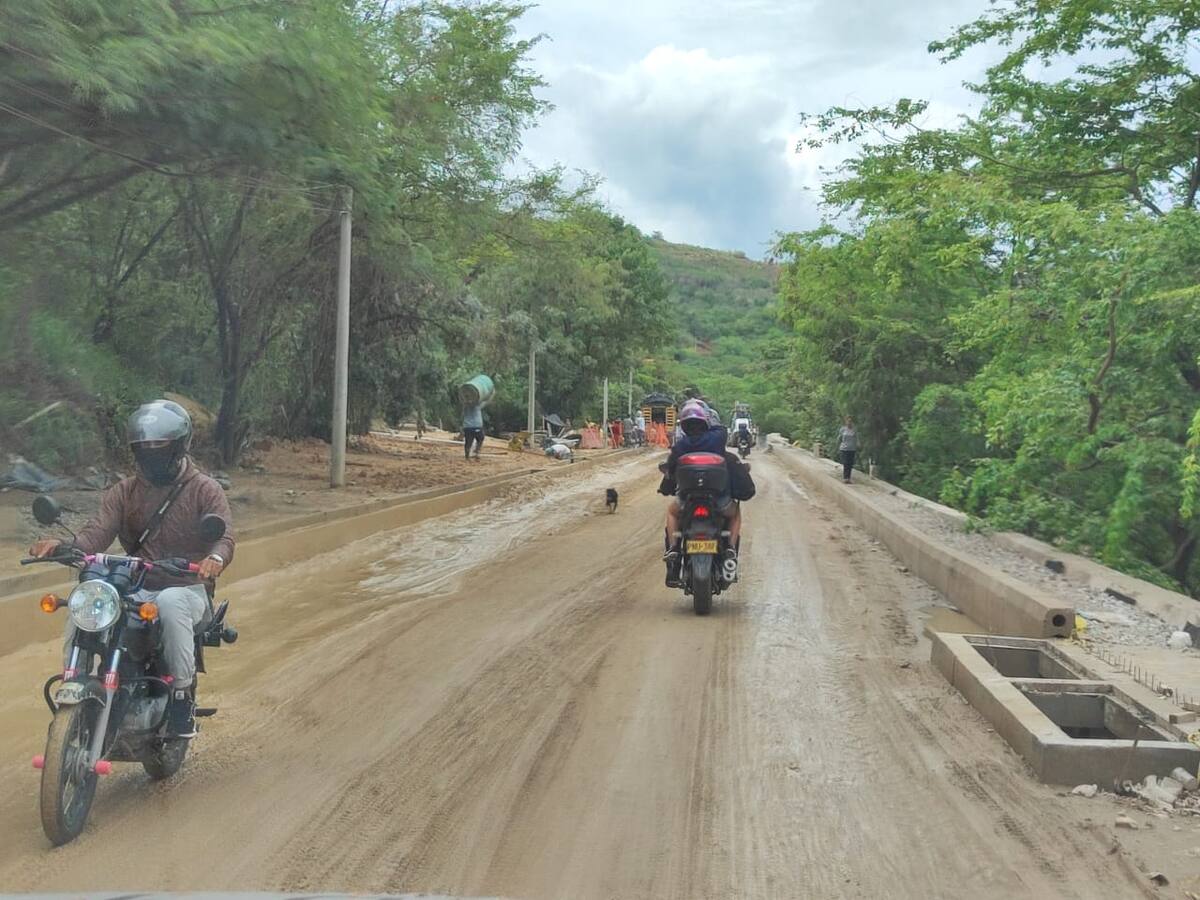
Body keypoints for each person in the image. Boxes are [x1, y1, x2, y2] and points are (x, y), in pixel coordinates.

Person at [27, 400, 235, 738]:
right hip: (134, 586)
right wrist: (65, 545)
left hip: (187, 589)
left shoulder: (204, 489)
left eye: (160, 444)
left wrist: (215, 559)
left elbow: (224, 536)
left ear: (180, 444)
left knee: (168, 602)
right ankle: (74, 678)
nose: (152, 451)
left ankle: (181, 698)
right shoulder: (124, 492)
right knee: (86, 598)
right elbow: (97, 532)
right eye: (145, 446)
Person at [660, 400, 743, 587]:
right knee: (735, 514)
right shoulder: (719, 437)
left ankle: (673, 549)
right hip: (719, 501)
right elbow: (719, 427)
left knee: (672, 512)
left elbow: (670, 472)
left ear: (684, 426)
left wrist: (665, 488)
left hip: (687, 501)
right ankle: (730, 549)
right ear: (706, 422)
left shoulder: (680, 447)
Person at [838, 415, 858, 483]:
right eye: (848, 421)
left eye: (850, 421)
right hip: (844, 448)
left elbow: (856, 438)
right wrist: (838, 445)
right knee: (845, 463)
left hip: (852, 448)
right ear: (846, 422)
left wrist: (858, 443)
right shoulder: (842, 429)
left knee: (850, 463)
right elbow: (839, 438)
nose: (849, 422)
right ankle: (845, 478)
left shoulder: (854, 429)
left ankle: (848, 478)